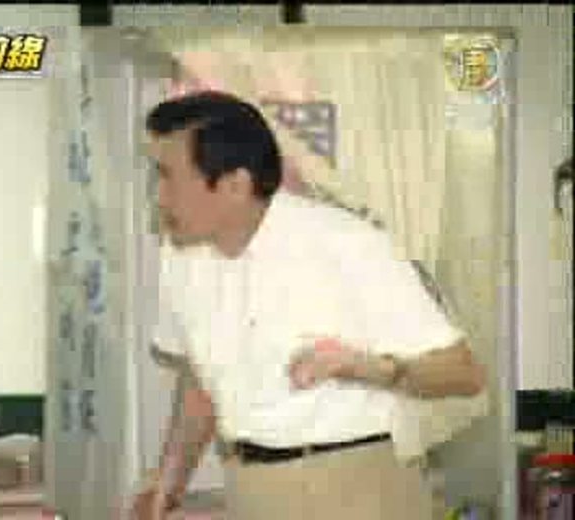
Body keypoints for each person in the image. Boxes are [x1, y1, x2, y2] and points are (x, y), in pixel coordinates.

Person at [132, 91, 486, 520]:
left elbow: (463, 374)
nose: (159, 197)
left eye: (168, 177)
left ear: (235, 185)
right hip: (250, 487)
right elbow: (200, 379)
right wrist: (169, 482)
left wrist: (367, 368)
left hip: (355, 487)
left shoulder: (347, 244)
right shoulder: (182, 257)